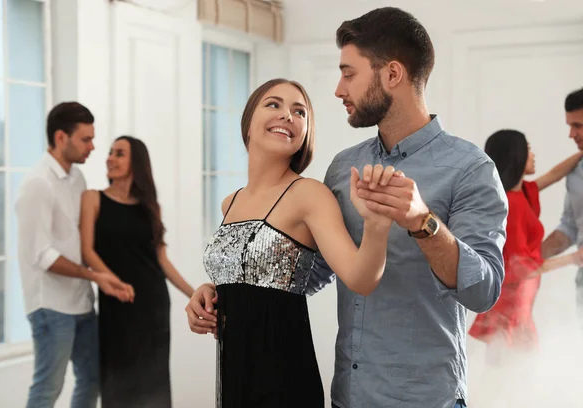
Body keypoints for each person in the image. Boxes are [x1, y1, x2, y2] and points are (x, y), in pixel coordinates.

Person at [188, 8, 508, 408]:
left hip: (425, 400)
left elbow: (485, 291)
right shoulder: (343, 167)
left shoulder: (470, 168)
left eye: (348, 73)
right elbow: (312, 269)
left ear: (392, 75)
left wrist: (423, 223)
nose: (339, 89)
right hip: (348, 396)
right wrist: (227, 287)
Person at [194, 78, 396, 408]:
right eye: (273, 104)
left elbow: (361, 278)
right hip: (233, 372)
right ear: (248, 122)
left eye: (299, 111)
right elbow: (246, 277)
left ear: (305, 132)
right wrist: (207, 294)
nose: (287, 115)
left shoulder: (309, 194)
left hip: (283, 377)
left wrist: (376, 225)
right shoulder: (230, 202)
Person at [15, 102, 133, 408]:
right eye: (86, 139)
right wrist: (94, 276)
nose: (94, 147)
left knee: (92, 379)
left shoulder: (77, 179)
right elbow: (42, 255)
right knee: (47, 389)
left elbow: (82, 241)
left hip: (82, 303)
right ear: (60, 138)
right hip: (51, 307)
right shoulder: (37, 184)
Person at [79, 136, 195, 408]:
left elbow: (162, 261)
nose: (110, 158)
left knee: (153, 385)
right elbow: (87, 252)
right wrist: (114, 282)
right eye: (110, 153)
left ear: (136, 163)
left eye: (119, 154)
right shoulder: (93, 199)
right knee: (117, 385)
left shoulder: (149, 209)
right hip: (116, 305)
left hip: (153, 307)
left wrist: (195, 293)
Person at [469, 130, 583, 355]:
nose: (533, 155)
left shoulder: (521, 194)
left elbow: (554, 174)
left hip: (519, 304)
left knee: (510, 375)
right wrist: (573, 258)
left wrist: (580, 154)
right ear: (517, 155)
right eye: (528, 149)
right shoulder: (513, 206)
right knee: (508, 375)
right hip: (512, 306)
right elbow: (521, 268)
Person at [541, 87, 583, 330]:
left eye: (577, 125)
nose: (571, 134)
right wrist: (534, 256)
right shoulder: (575, 173)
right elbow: (569, 226)